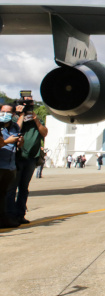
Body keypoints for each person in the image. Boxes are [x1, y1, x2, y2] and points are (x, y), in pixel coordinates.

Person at [7, 95, 48, 225]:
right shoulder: (14, 119)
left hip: (31, 158)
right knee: (12, 188)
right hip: (17, 158)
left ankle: (20, 214)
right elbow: (16, 130)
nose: (27, 105)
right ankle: (11, 214)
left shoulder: (36, 120)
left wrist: (35, 119)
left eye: (29, 102)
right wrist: (20, 116)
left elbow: (44, 133)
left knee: (24, 188)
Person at [1, 103, 22, 228]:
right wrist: (7, 141)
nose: (4, 114)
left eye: (8, 112)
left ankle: (3, 219)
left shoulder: (15, 127)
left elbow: (17, 146)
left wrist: (20, 142)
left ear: (13, 114)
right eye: (2, 111)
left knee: (3, 194)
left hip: (9, 166)